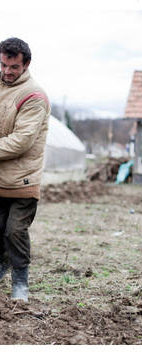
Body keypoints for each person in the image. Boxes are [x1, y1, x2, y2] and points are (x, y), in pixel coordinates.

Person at [0, 37, 50, 302]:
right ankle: (2, 266)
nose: (7, 71)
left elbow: (21, 141)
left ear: (26, 65)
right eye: (3, 65)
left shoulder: (34, 96)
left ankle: (21, 283)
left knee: (15, 232)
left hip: (22, 180)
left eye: (14, 67)